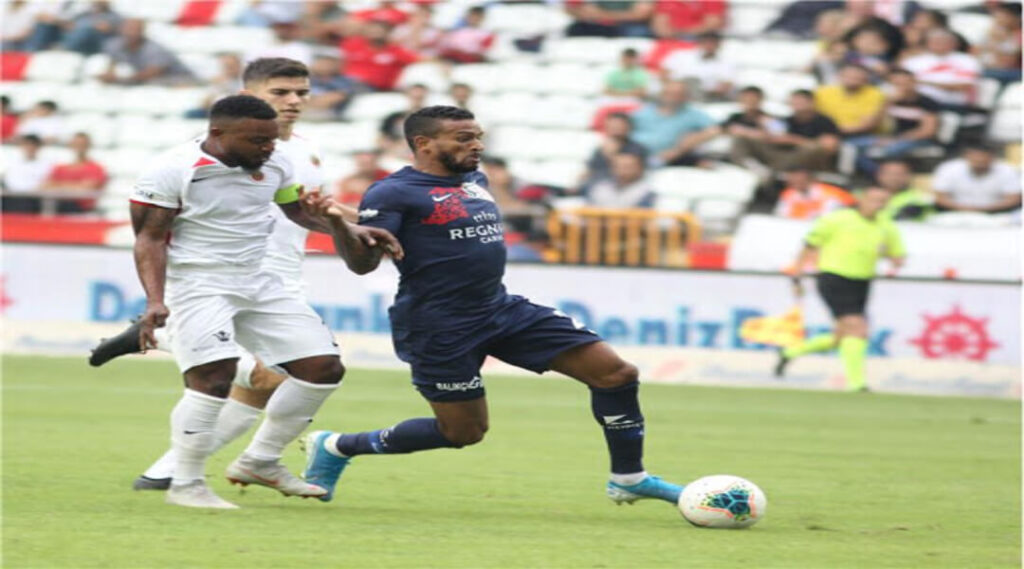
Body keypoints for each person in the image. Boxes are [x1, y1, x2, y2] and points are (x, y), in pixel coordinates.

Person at [298, 106, 686, 509]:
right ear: (423, 143)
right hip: (438, 325)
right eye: (464, 138)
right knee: (462, 432)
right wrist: (339, 224)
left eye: (478, 136)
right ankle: (338, 445)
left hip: (499, 309)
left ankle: (628, 477)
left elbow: (414, 224)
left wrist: (343, 216)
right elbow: (363, 262)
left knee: (616, 374)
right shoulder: (391, 192)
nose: (477, 145)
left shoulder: (474, 180)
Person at [89, 60, 371, 497]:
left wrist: (363, 225)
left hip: (274, 275)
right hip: (207, 280)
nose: (293, 101)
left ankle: (235, 460)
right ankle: (180, 473)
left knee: (307, 370)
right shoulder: (183, 163)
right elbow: (150, 237)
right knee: (250, 377)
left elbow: (308, 208)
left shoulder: (296, 153)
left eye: (301, 93)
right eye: (280, 92)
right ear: (248, 96)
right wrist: (155, 299)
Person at [776, 187, 905, 392]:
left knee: (842, 336)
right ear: (862, 199)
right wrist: (797, 277)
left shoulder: (886, 226)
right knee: (858, 328)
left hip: (862, 281)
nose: (878, 205)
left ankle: (790, 352)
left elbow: (897, 256)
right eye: (874, 200)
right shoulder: (837, 219)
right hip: (834, 277)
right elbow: (809, 246)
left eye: (883, 201)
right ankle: (857, 384)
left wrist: (892, 258)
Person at [844, 68, 940, 176]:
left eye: (905, 83)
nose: (901, 87)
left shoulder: (926, 102)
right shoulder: (887, 100)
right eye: (896, 84)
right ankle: (878, 175)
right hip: (888, 137)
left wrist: (897, 139)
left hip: (915, 139)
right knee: (851, 145)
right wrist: (887, 103)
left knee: (891, 150)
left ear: (914, 83)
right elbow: (875, 123)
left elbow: (928, 131)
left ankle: (890, 177)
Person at [731, 89, 840, 173]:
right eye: (794, 101)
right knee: (742, 139)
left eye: (800, 101)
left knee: (811, 148)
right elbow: (774, 137)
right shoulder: (787, 120)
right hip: (781, 155)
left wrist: (794, 140)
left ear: (811, 102)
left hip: (806, 160)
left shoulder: (823, 121)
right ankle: (754, 168)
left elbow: (829, 146)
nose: (796, 104)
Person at [630, 80, 715, 166]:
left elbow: (716, 129)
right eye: (668, 93)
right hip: (634, 156)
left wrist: (694, 139)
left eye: (677, 94)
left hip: (672, 158)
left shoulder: (693, 114)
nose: (671, 97)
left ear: (686, 96)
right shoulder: (643, 111)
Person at [98, 18, 197, 86]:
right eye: (127, 29)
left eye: (135, 30)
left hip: (178, 79)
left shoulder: (155, 49)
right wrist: (108, 75)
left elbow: (152, 73)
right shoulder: (115, 45)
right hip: (151, 82)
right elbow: (112, 63)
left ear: (142, 31)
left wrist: (119, 80)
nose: (130, 33)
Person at [902, 29, 982, 109]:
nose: (939, 44)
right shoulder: (913, 61)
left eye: (944, 41)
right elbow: (904, 84)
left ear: (954, 43)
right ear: (927, 43)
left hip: (955, 104)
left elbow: (964, 86)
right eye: (935, 41)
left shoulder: (967, 60)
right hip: (919, 104)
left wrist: (923, 82)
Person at [932, 144, 1022, 213]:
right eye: (976, 159)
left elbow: (1014, 198)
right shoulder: (948, 168)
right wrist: (967, 209)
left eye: (983, 159)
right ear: (967, 156)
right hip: (955, 213)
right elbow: (940, 197)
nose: (979, 162)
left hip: (997, 214)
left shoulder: (1007, 170)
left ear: (992, 157)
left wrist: (983, 210)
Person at [339, 19, 420, 92]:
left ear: (388, 33)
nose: (376, 33)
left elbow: (418, 59)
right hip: (346, 81)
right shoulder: (352, 44)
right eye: (373, 30)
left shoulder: (395, 50)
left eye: (380, 30)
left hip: (373, 87)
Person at [41, 132, 107, 214]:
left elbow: (86, 190)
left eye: (82, 144)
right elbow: (45, 186)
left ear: (88, 145)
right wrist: (74, 186)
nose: (79, 147)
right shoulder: (60, 168)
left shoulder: (96, 168)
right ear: (71, 145)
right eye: (77, 144)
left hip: (80, 208)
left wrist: (59, 186)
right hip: (58, 206)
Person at [814, 63, 885, 138]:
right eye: (848, 76)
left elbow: (869, 124)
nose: (851, 79)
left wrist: (835, 132)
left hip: (862, 135)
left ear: (865, 79)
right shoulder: (822, 92)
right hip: (825, 135)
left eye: (856, 77)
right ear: (839, 76)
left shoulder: (875, 94)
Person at [659, 31, 735, 101]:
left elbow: (727, 83)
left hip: (707, 95)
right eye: (705, 42)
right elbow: (664, 73)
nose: (709, 46)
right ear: (699, 43)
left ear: (718, 45)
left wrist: (713, 91)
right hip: (678, 90)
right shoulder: (681, 55)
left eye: (712, 43)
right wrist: (673, 88)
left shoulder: (726, 62)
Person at [582, 112, 649, 188]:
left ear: (628, 127)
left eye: (619, 125)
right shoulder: (601, 147)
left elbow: (627, 173)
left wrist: (610, 154)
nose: (616, 128)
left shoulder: (636, 148)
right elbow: (592, 168)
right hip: (597, 184)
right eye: (612, 125)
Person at [773, 166, 855, 220]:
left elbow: (852, 207)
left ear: (809, 178)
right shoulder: (788, 194)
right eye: (791, 179)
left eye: (798, 179)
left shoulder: (833, 193)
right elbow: (780, 215)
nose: (794, 181)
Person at [1, 134, 52, 213]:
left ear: (38, 147)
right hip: (10, 197)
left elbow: (46, 184)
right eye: (26, 145)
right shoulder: (11, 163)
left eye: (32, 145)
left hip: (33, 199)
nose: (29, 148)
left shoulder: (47, 165)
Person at [587, 152, 657, 208]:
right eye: (618, 166)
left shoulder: (649, 191)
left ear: (640, 168)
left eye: (628, 167)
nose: (622, 170)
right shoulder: (599, 187)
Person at [977, 1, 1022, 85]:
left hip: (1013, 73)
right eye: (997, 16)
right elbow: (975, 55)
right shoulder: (991, 33)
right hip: (990, 70)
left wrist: (996, 42)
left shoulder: (1019, 35)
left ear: (1015, 18)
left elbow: (1007, 63)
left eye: (1003, 16)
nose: (999, 19)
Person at [651, 0, 726, 39]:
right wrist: (673, 35)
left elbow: (713, 23)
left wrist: (684, 33)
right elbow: (660, 23)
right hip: (670, 40)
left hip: (699, 40)